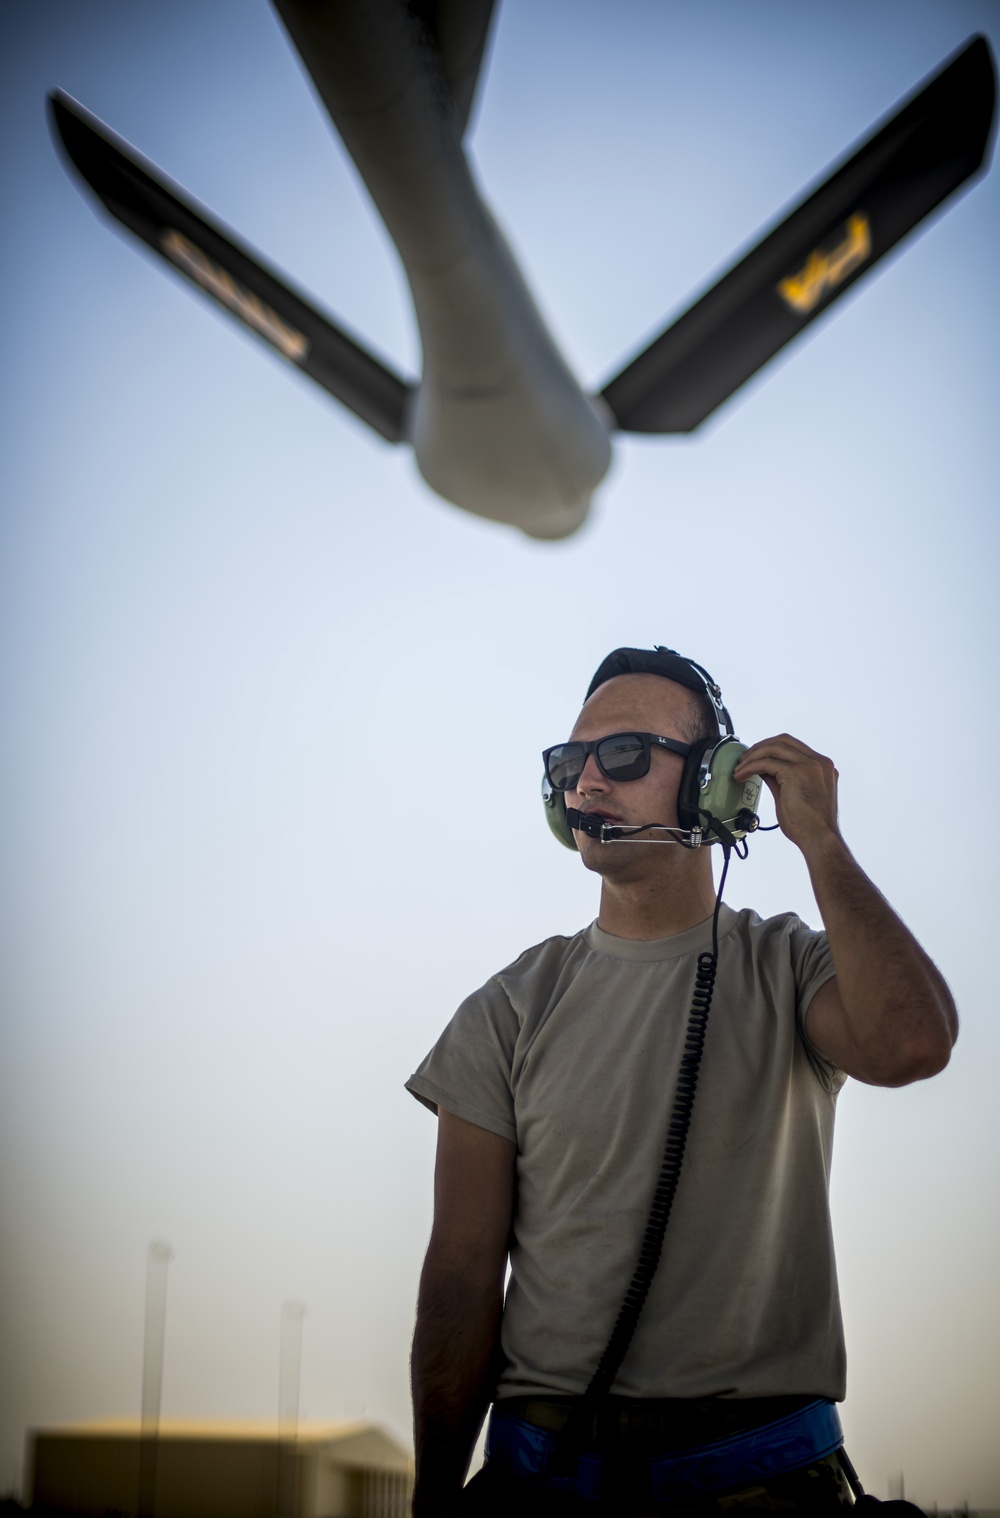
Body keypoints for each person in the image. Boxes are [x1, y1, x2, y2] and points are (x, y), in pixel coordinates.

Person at [405, 646, 956, 1516]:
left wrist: (821, 838)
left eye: (623, 755)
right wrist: (434, 1497)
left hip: (764, 1486)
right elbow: (464, 1270)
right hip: (541, 1486)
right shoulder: (507, 1008)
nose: (586, 780)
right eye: (569, 761)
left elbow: (913, 1043)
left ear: (715, 786)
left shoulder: (791, 966)